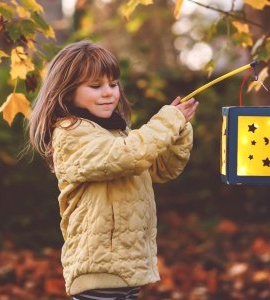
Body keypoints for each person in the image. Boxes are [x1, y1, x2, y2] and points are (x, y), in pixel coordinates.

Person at [27, 40, 198, 299]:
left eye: (113, 84)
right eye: (96, 86)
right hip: (98, 270)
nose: (108, 92)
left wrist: (178, 130)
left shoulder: (115, 131)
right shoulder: (71, 132)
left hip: (126, 267)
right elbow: (129, 156)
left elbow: (162, 169)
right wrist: (167, 122)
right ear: (68, 91)